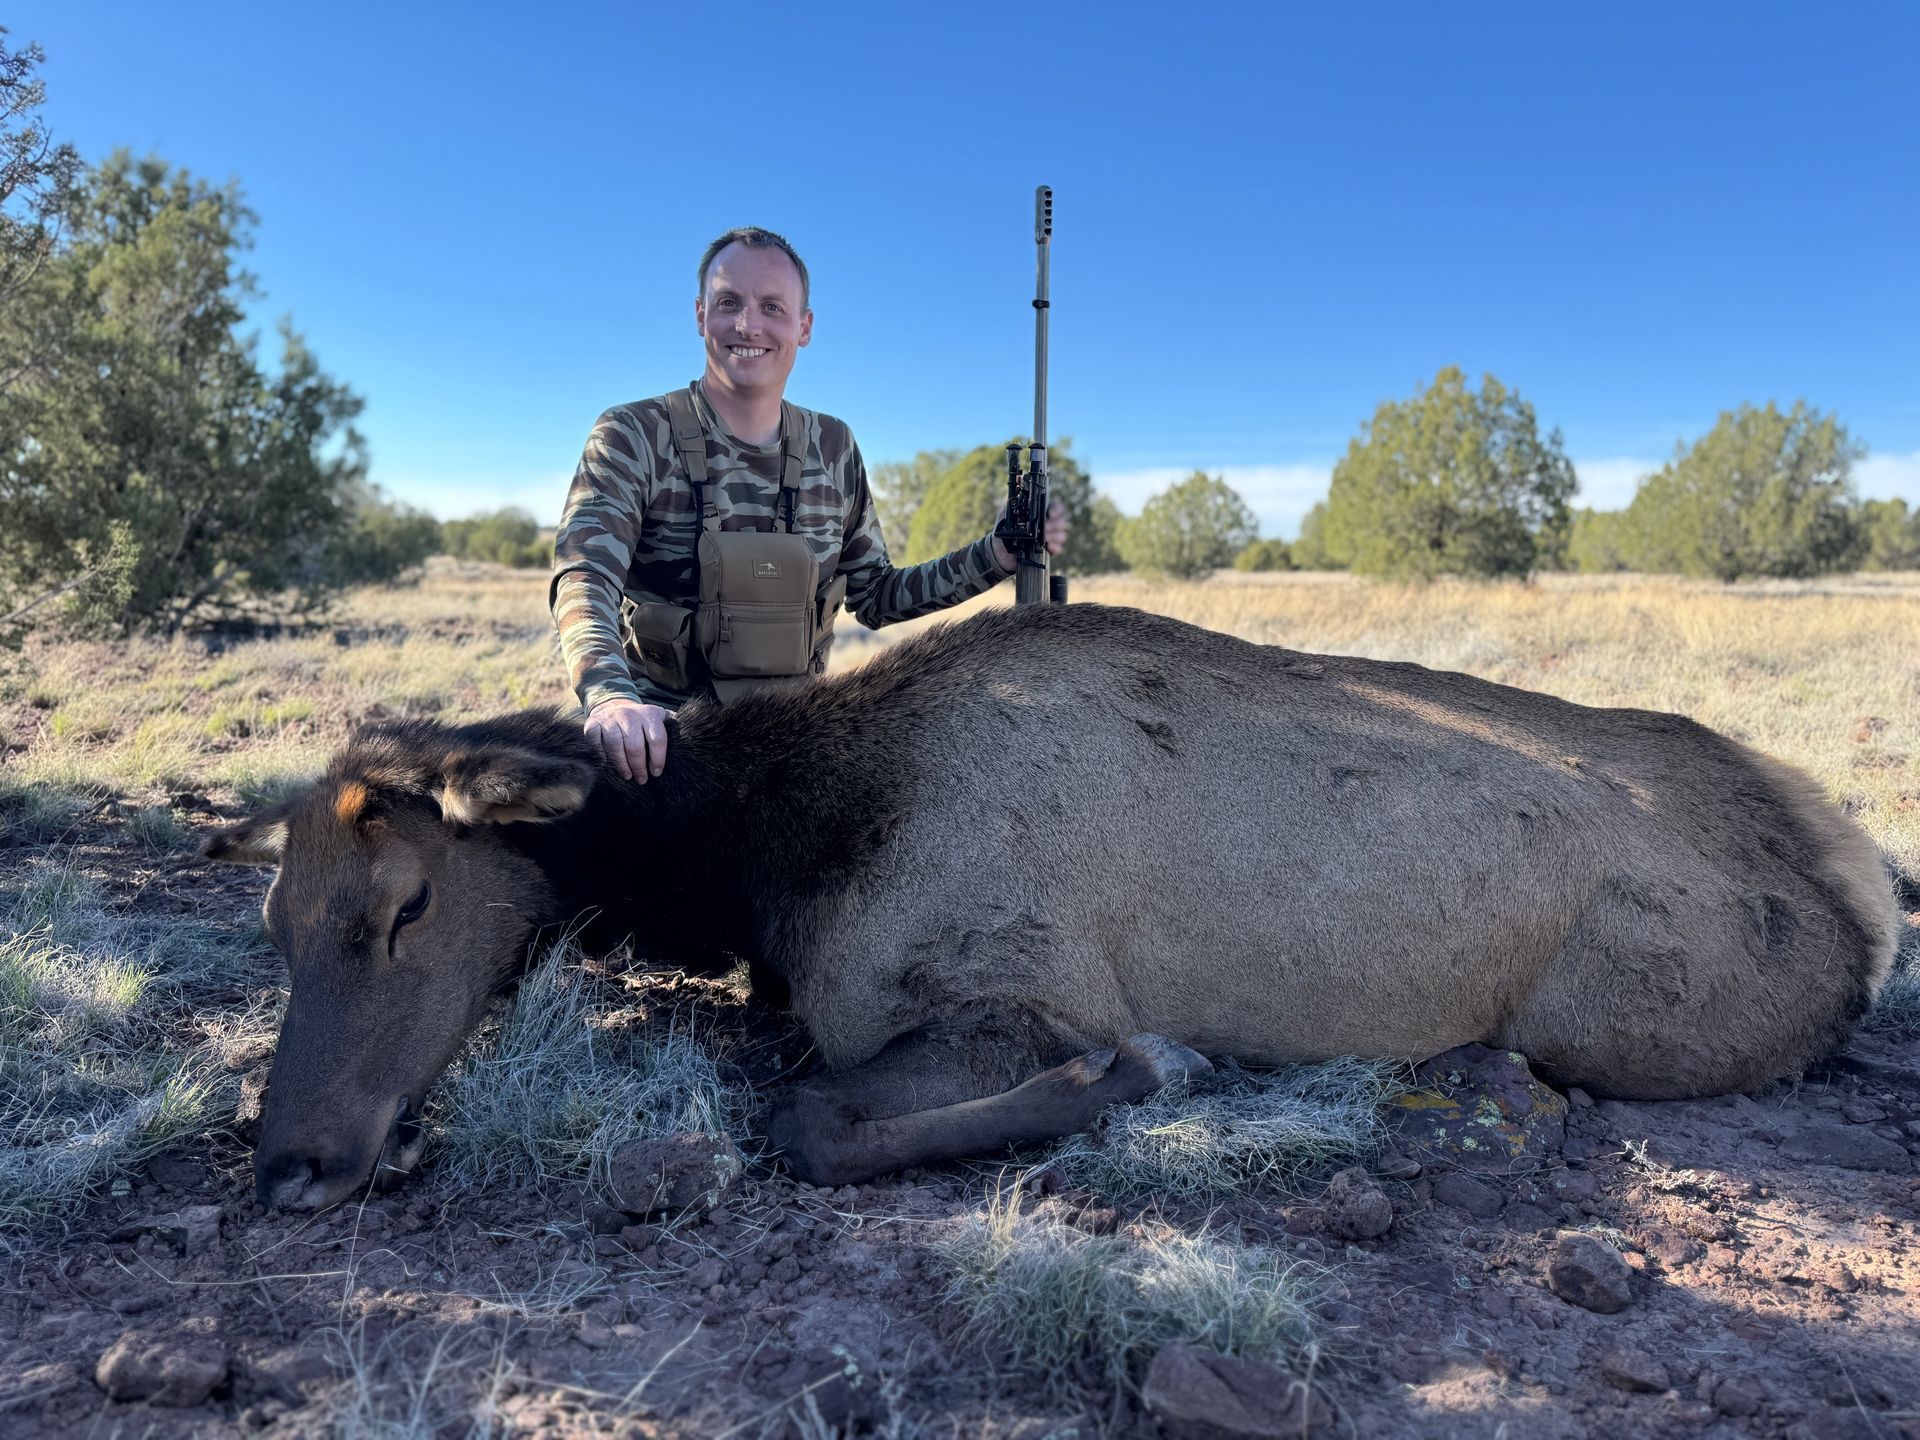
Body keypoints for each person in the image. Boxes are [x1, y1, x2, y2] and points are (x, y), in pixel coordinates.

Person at [550, 226, 1068, 783]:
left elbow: (877, 596)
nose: (748, 324)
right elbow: (584, 577)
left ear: (804, 327)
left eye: (772, 307)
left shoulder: (835, 446)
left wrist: (996, 556)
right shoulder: (631, 434)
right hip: (663, 751)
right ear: (701, 314)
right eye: (729, 303)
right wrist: (610, 700)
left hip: (797, 747)